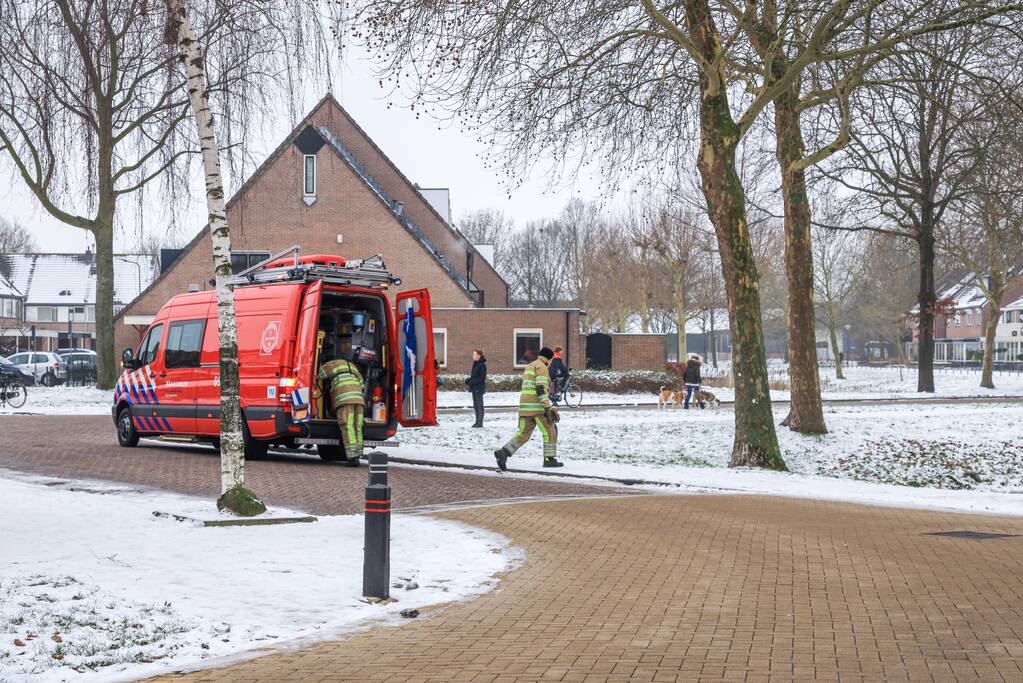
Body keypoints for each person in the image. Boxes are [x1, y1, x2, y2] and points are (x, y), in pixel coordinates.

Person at [494, 346, 562, 469]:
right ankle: (549, 459)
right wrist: (548, 407)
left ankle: (503, 453)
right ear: (548, 358)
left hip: (525, 407)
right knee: (550, 430)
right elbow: (540, 388)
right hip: (537, 407)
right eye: (551, 360)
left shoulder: (530, 366)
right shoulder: (542, 367)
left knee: (523, 434)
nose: (551, 362)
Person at [317, 350, 366, 466]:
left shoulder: (332, 364)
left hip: (345, 400)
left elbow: (319, 374)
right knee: (357, 427)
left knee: (347, 426)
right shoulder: (352, 366)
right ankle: (357, 454)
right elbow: (362, 385)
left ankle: (352, 458)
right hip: (359, 400)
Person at [465, 349, 487, 428]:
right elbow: (474, 376)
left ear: (479, 355)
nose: (473, 356)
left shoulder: (482, 365)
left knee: (480, 405)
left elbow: (482, 378)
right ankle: (476, 421)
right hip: (474, 388)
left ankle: (480, 423)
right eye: (473, 354)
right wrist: (469, 380)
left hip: (479, 388)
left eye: (474, 354)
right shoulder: (475, 364)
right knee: (475, 405)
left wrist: (472, 381)